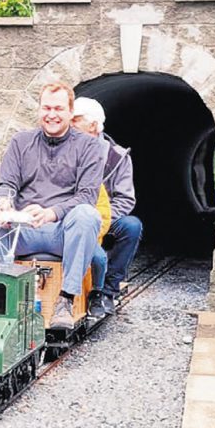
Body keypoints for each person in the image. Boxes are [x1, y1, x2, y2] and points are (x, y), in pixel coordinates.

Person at [0, 82, 105, 329]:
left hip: (62, 232)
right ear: (39, 109)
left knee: (87, 215)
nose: (51, 115)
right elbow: (5, 182)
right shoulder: (20, 142)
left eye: (58, 108)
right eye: (46, 108)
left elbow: (87, 195)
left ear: (69, 111)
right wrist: (4, 201)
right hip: (22, 229)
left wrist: (51, 213)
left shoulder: (89, 146)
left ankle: (66, 300)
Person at [71, 97, 143, 315]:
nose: (69, 124)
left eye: (75, 120)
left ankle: (108, 291)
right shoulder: (62, 149)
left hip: (105, 216)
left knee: (131, 226)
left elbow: (125, 199)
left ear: (92, 125)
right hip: (69, 214)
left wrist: (99, 220)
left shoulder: (117, 157)